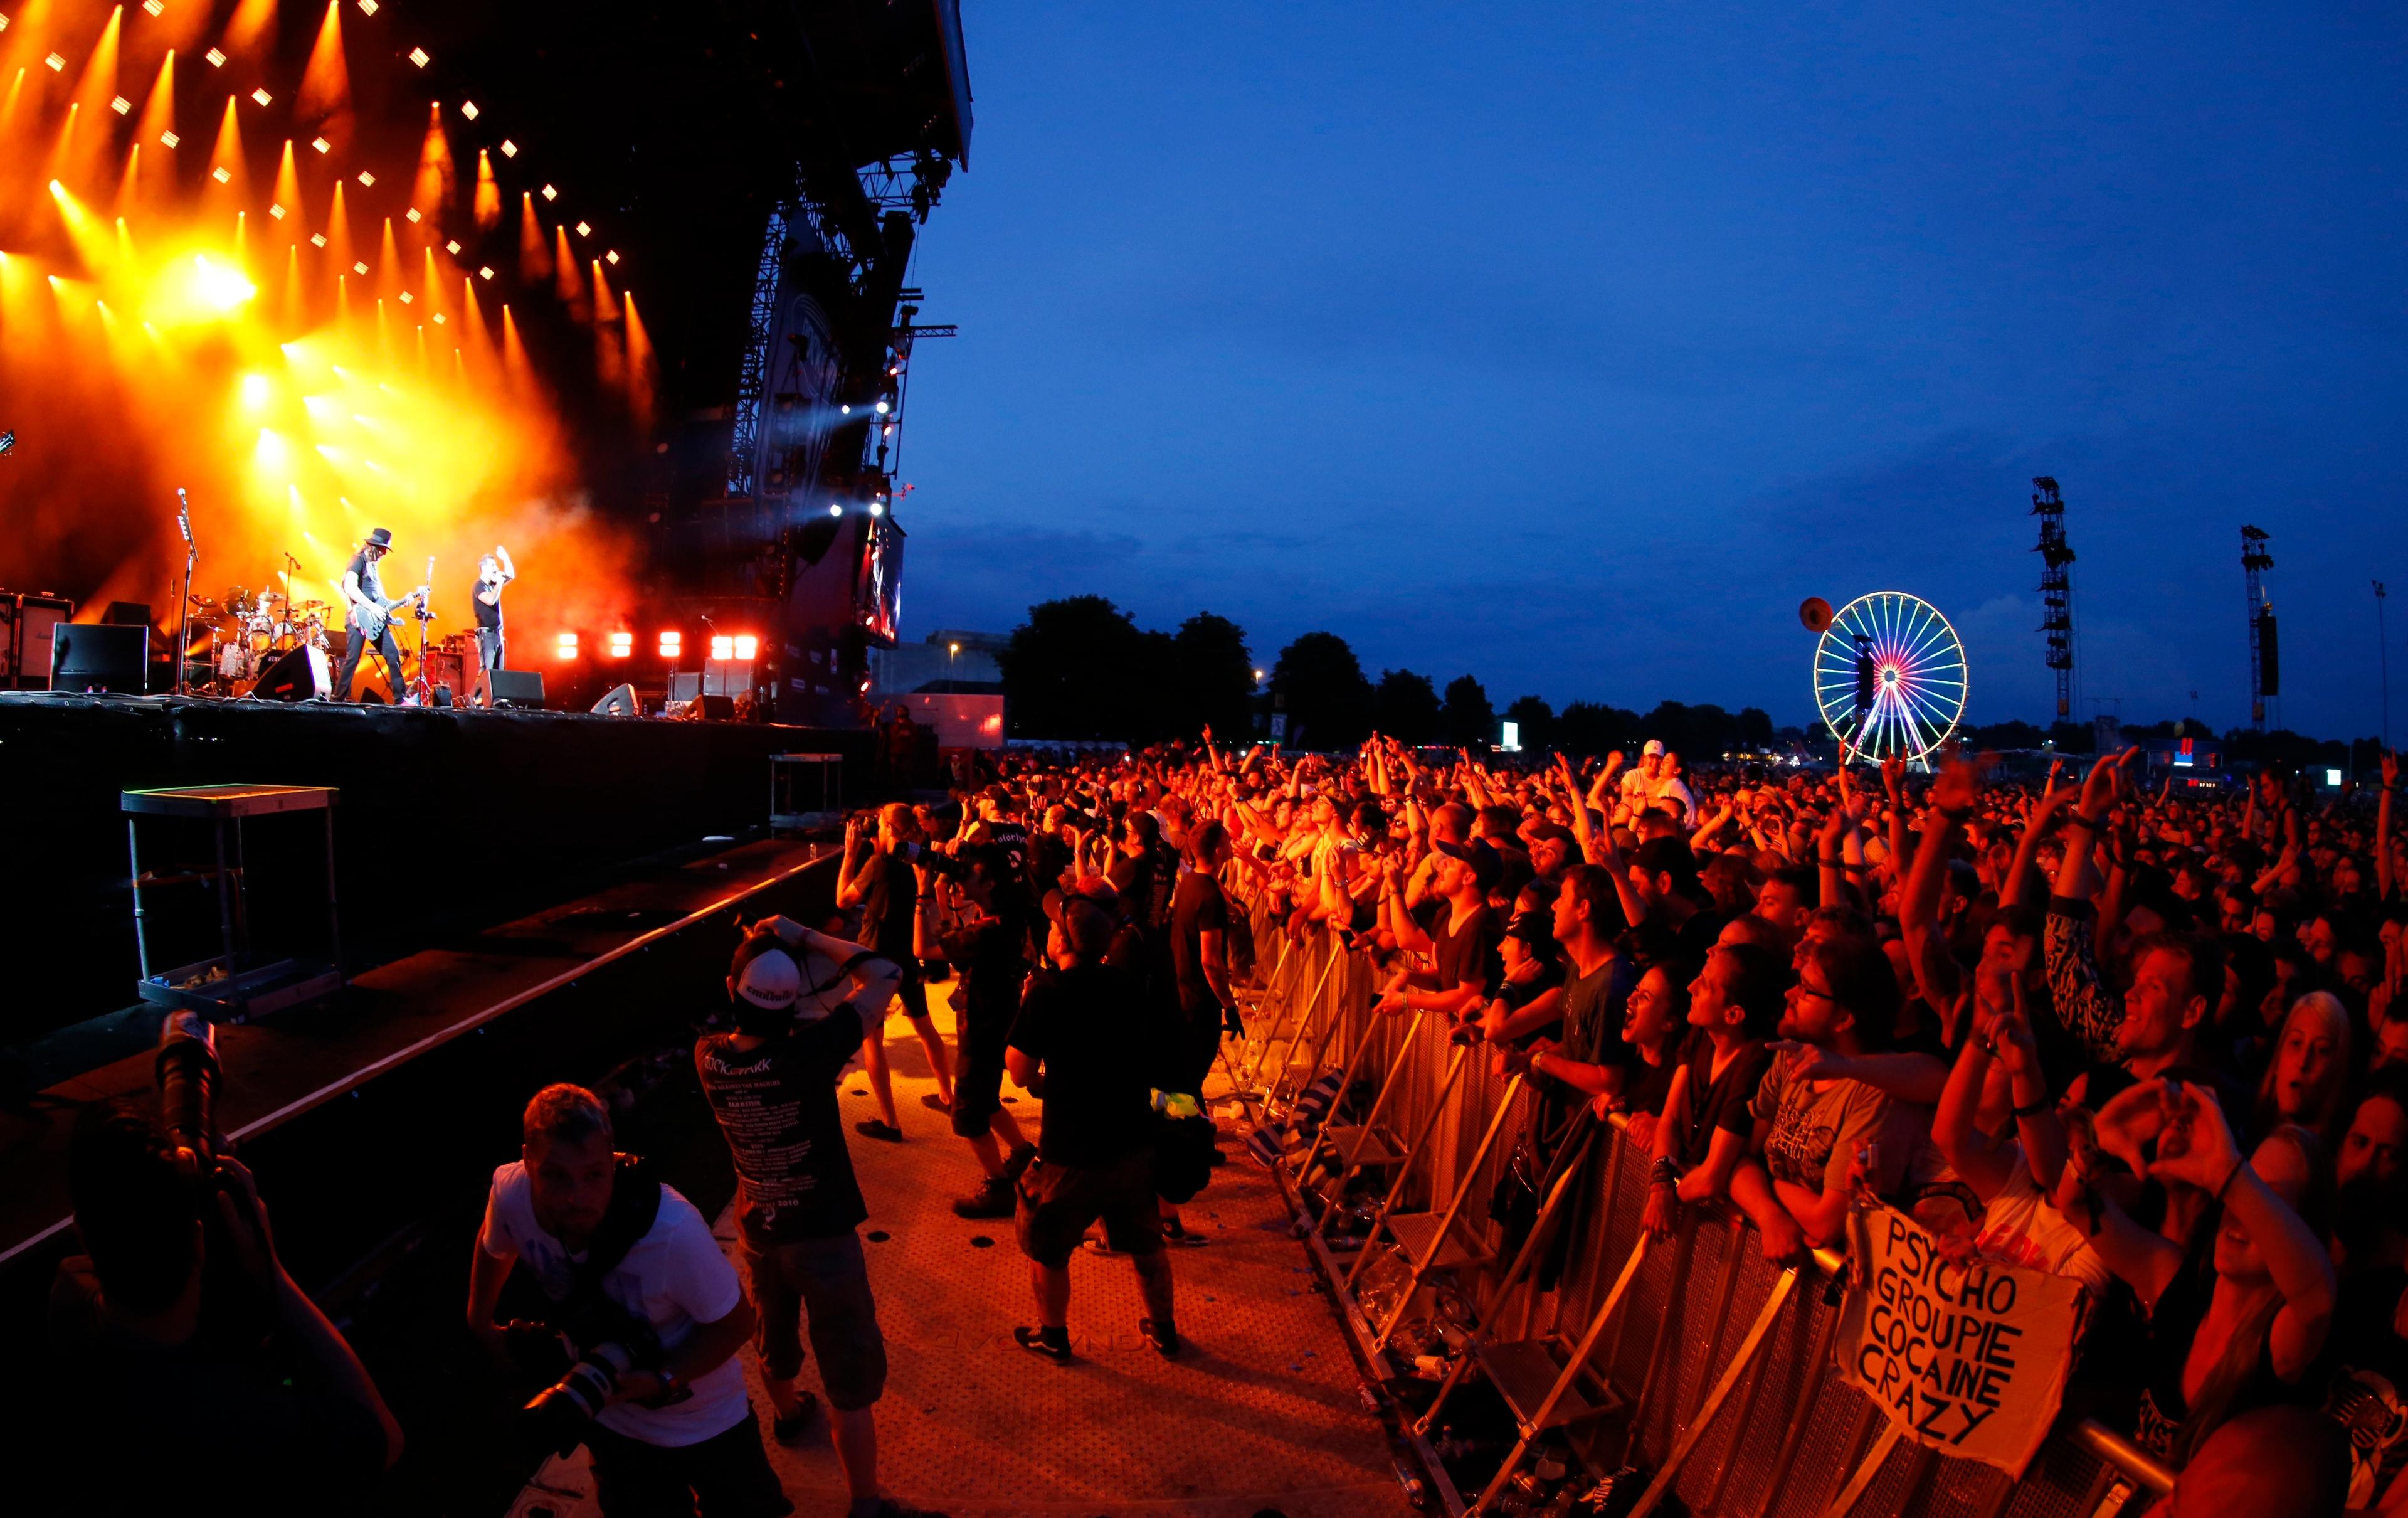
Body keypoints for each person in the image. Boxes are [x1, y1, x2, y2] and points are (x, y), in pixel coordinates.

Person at [694, 921, 948, 1518]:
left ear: (732, 988)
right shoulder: (811, 1053)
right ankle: (865, 1503)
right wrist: (802, 936)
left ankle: (787, 1413)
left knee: (773, 1339)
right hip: (825, 1237)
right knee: (848, 1373)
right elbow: (886, 972)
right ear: (794, 1004)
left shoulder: (708, 1058)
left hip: (758, 1228)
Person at [48, 1101, 405, 1512]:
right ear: (199, 1241)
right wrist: (269, 1267)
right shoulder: (254, 1422)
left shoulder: (69, 1293)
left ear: (82, 1232)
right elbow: (386, 1439)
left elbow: (137, 1257)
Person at [467, 1085, 783, 1518]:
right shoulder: (510, 1192)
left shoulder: (672, 1231)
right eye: (555, 1176)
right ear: (527, 1159)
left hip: (707, 1423)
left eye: (594, 1175)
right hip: (610, 1423)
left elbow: (737, 1324)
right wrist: (480, 1320)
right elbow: (493, 1246)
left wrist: (662, 1380)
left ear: (613, 1158)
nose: (576, 1197)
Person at [1006, 888, 1179, 1362]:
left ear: (1061, 942)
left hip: (1071, 1151)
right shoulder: (1129, 984)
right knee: (1147, 1244)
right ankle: (1165, 1330)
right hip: (1131, 1142)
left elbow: (1020, 1072)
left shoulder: (1047, 992)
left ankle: (1054, 1336)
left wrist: (1030, 1012)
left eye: (1052, 926)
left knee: (1048, 1248)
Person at [912, 847, 1040, 1219]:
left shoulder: (987, 932)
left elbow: (922, 948)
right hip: (999, 1020)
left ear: (990, 882)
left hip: (982, 1028)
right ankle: (1020, 1152)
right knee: (986, 1096)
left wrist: (923, 895)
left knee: (967, 1115)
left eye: (969, 875)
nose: (961, 878)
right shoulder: (1008, 916)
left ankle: (998, 1186)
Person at [836, 804, 956, 1139]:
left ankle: (890, 1122)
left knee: (873, 1038)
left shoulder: (877, 864)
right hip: (905, 957)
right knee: (924, 1026)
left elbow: (843, 901)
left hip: (873, 958)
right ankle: (948, 1095)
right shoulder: (914, 863)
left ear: (888, 828)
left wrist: (849, 854)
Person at [337, 526, 426, 702]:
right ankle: (338, 698)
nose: (384, 554)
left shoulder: (374, 567)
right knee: (353, 659)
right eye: (383, 550)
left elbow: (381, 602)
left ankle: (400, 698)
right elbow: (349, 588)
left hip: (375, 621)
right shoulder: (358, 560)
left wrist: (405, 600)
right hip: (359, 618)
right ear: (374, 547)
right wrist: (369, 607)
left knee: (393, 655)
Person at [468, 543, 515, 706]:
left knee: (498, 673)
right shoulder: (479, 586)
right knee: (486, 672)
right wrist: (500, 583)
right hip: (486, 635)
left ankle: (495, 702)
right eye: (494, 565)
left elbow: (511, 575)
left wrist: (505, 557)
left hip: (498, 634)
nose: (496, 568)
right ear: (484, 568)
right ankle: (472, 700)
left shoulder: (493, 585)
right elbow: (490, 600)